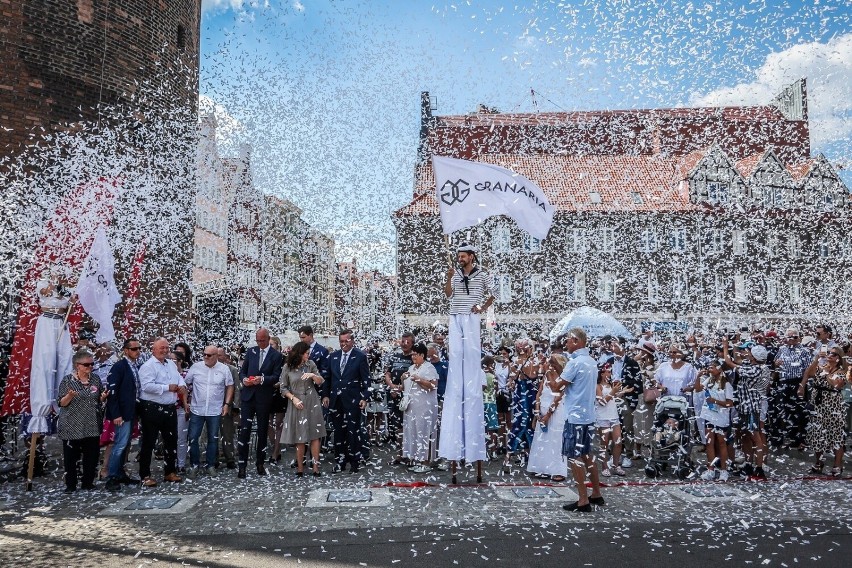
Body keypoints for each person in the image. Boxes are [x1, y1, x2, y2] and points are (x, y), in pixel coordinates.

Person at [439, 243, 495, 477]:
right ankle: (458, 371)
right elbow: (448, 294)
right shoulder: (454, 272)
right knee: (457, 353)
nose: (460, 259)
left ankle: (471, 370)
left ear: (471, 256)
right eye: (458, 256)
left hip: (471, 315)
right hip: (455, 314)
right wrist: (450, 278)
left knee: (471, 352)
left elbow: (492, 295)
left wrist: (482, 307)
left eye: (463, 256)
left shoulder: (482, 274)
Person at [557, 328, 604, 513]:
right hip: (588, 415)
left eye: (568, 341)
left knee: (575, 457)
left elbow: (558, 386)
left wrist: (552, 369)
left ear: (576, 341)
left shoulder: (574, 362)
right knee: (586, 455)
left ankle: (583, 499)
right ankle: (596, 493)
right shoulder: (591, 361)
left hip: (575, 416)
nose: (566, 344)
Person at [29, 267, 76, 436]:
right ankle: (41, 410)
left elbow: (70, 299)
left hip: (61, 323)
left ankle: (62, 404)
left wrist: (66, 290)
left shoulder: (66, 288)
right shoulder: (43, 283)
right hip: (47, 322)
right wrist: (55, 284)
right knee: (45, 362)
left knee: (64, 362)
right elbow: (45, 291)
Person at [138, 337, 187, 487]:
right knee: (149, 442)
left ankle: (170, 471)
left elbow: (179, 378)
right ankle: (145, 474)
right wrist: (167, 388)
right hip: (152, 408)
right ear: (153, 349)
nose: (165, 351)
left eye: (167, 348)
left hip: (169, 407)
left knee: (171, 441)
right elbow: (146, 386)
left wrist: (182, 385)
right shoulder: (148, 366)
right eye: (162, 348)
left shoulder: (171, 365)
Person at [237, 328, 284, 479]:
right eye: (257, 340)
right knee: (244, 430)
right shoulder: (251, 352)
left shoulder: (276, 356)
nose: (260, 343)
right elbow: (242, 372)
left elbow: (277, 376)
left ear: (268, 339)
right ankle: (242, 465)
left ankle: (260, 462)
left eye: (262, 340)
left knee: (263, 431)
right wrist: (244, 379)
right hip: (248, 396)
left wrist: (262, 379)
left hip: (264, 397)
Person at [56, 349, 105, 492]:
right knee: (71, 457)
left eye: (92, 364)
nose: (90, 367)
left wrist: (103, 397)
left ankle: (87, 482)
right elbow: (61, 403)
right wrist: (70, 396)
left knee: (91, 456)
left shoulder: (95, 379)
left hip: (91, 424)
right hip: (72, 425)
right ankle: (71, 485)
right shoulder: (67, 380)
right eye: (86, 365)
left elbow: (99, 397)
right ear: (77, 365)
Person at [723, 339, 771, 480]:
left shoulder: (754, 370)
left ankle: (759, 469)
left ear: (754, 357)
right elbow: (737, 359)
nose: (747, 354)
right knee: (746, 437)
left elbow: (729, 362)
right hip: (744, 407)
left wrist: (726, 347)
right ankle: (748, 465)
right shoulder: (759, 367)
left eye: (749, 353)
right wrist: (736, 344)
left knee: (755, 438)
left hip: (751, 408)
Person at [322, 329, 370, 473]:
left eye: (346, 341)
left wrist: (365, 397)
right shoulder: (333, 357)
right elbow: (328, 378)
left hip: (353, 399)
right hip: (336, 400)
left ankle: (355, 462)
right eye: (341, 341)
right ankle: (340, 461)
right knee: (338, 432)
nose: (344, 344)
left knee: (353, 431)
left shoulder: (360, 357)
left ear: (352, 341)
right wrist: (325, 395)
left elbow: (366, 380)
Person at [184, 345, 234, 478]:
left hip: (215, 409)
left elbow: (230, 386)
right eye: (204, 354)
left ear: (216, 356)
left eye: (209, 355)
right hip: (197, 409)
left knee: (213, 438)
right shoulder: (196, 367)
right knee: (193, 438)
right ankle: (194, 465)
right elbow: (185, 384)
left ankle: (210, 465)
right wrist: (185, 402)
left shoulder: (224, 369)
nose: (205, 357)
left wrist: (226, 404)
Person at [279, 341, 326, 477]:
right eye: (306, 353)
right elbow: (283, 388)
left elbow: (320, 381)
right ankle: (300, 468)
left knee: (315, 435)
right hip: (297, 401)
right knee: (300, 436)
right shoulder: (287, 367)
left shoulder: (310, 364)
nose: (308, 355)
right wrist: (293, 399)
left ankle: (316, 467)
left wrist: (312, 375)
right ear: (299, 353)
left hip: (312, 401)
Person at [801, 345, 848, 476]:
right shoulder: (821, 367)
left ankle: (837, 465)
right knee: (817, 434)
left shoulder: (841, 371)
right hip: (818, 406)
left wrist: (827, 372)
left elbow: (837, 384)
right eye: (828, 353)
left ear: (838, 358)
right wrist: (817, 359)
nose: (829, 355)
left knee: (836, 436)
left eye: (833, 354)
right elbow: (809, 373)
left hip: (834, 407)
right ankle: (819, 462)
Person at [103, 338, 143, 491]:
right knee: (119, 444)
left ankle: (120, 473)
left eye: (138, 348)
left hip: (132, 411)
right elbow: (112, 392)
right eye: (134, 349)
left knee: (125, 444)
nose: (137, 351)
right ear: (126, 350)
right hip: (122, 413)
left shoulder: (135, 366)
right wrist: (116, 414)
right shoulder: (119, 366)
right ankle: (112, 476)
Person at [526, 354, 568, 482]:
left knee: (555, 441)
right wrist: (537, 412)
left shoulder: (563, 378)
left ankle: (557, 470)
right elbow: (539, 393)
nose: (549, 365)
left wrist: (548, 415)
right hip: (542, 411)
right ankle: (541, 468)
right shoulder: (545, 376)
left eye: (552, 363)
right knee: (542, 440)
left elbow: (558, 397)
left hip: (556, 412)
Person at [505, 338, 542, 472]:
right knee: (529, 425)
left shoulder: (515, 362)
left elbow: (510, 382)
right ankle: (530, 457)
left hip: (520, 397)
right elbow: (539, 378)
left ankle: (509, 458)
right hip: (532, 395)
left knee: (520, 425)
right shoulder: (535, 362)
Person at [401, 343, 438, 474]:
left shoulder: (429, 368)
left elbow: (433, 385)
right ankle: (416, 458)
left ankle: (426, 461)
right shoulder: (411, 368)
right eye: (412, 354)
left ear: (422, 355)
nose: (413, 357)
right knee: (413, 432)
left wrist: (419, 380)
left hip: (425, 406)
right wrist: (403, 379)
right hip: (412, 407)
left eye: (415, 354)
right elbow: (406, 386)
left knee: (424, 431)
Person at [696, 358, 734, 481]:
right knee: (709, 442)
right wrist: (698, 377)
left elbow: (730, 403)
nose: (709, 369)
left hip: (721, 417)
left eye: (712, 367)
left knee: (722, 443)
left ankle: (724, 470)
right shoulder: (709, 380)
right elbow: (697, 389)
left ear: (719, 369)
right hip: (709, 415)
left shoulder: (726, 384)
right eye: (709, 367)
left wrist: (715, 401)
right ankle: (711, 469)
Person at [385, 331, 415, 459]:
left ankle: (410, 453)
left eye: (407, 342)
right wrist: (392, 387)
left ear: (413, 343)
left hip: (408, 396)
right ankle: (400, 453)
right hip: (394, 395)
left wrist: (401, 388)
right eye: (403, 341)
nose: (404, 344)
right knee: (397, 426)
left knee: (408, 425)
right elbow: (387, 373)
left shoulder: (414, 358)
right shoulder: (395, 357)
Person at [595, 361, 628, 477]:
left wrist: (622, 392)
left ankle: (615, 464)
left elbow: (614, 397)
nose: (610, 374)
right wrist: (613, 392)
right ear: (602, 373)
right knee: (604, 443)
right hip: (602, 417)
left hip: (614, 416)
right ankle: (604, 466)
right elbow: (602, 402)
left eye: (610, 372)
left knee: (618, 441)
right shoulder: (597, 386)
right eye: (608, 372)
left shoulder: (611, 384)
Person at [217, 347, 240, 469]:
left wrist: (236, 406)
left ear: (225, 357)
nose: (217, 358)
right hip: (211, 406)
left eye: (220, 355)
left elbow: (236, 388)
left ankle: (230, 458)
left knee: (227, 433)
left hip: (227, 405)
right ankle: (213, 457)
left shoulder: (232, 370)